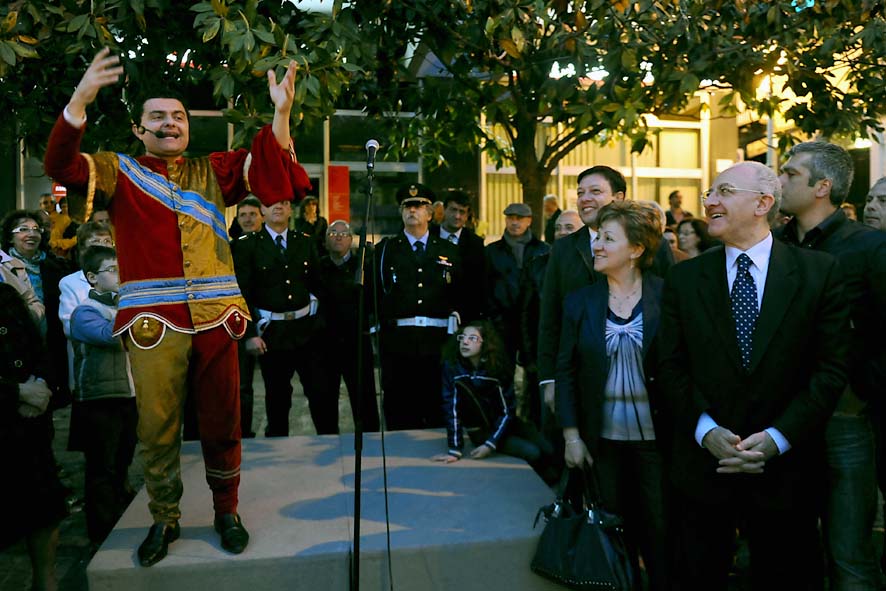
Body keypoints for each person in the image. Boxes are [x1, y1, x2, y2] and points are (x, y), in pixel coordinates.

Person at [43, 48, 310, 566]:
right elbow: (60, 165)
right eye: (158, 118)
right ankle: (164, 516)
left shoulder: (217, 169)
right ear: (140, 130)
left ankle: (226, 510)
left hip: (217, 316)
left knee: (223, 421)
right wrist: (81, 97)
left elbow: (276, 174)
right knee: (157, 427)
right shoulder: (117, 170)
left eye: (179, 117)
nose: (171, 124)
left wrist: (280, 114)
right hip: (152, 325)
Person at [658, 161, 850, 590]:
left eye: (724, 191)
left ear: (763, 203)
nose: (709, 202)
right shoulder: (684, 277)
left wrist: (778, 438)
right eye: (709, 192)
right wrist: (706, 430)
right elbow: (669, 366)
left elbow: (831, 370)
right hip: (704, 475)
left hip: (787, 475)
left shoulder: (820, 273)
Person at [778, 141, 886, 590]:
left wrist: (862, 392)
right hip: (783, 416)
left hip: (845, 415)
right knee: (790, 552)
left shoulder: (868, 246)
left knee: (850, 556)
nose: (779, 180)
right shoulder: (777, 244)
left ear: (822, 187)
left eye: (790, 174)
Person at [557, 200, 668, 590]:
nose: (597, 246)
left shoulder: (668, 298)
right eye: (597, 238)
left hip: (659, 444)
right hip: (601, 444)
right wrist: (572, 436)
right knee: (610, 535)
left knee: (660, 534)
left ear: (636, 249)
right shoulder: (580, 302)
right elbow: (566, 372)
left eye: (608, 239)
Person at [537, 166, 674, 429]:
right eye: (580, 192)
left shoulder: (651, 242)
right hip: (578, 380)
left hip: (644, 383)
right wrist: (549, 379)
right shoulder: (564, 248)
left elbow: (671, 308)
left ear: (619, 198)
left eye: (595, 191)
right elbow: (550, 317)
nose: (584, 198)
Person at [234, 197, 334, 436]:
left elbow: (318, 285)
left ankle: (331, 446)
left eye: (284, 203)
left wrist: (320, 325)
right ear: (263, 211)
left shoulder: (304, 242)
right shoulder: (247, 245)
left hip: (306, 331)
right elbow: (242, 293)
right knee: (278, 398)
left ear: (291, 210)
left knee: (320, 393)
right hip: (272, 334)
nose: (277, 207)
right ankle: (278, 452)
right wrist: (249, 334)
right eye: (271, 203)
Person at [374, 183, 462, 430]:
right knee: (399, 407)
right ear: (401, 212)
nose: (413, 210)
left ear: (431, 213)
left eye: (419, 206)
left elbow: (462, 291)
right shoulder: (385, 251)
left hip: (438, 341)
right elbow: (375, 293)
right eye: (407, 206)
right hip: (398, 342)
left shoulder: (448, 250)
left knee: (436, 405)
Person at [0, 282, 67, 591]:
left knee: (42, 511)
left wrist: (40, 384)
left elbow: (39, 347)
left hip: (29, 427)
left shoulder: (6, 295)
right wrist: (16, 393)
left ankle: (45, 583)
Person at [70, 246, 137, 546]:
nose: (119, 274)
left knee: (123, 461)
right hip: (99, 399)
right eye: (112, 270)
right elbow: (113, 337)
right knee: (101, 467)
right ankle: (101, 531)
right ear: (92, 278)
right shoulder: (85, 312)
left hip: (128, 394)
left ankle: (120, 516)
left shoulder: (123, 305)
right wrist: (135, 309)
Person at [432, 321, 555, 482]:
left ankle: (559, 487)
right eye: (462, 337)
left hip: (506, 423)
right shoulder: (453, 369)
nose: (465, 342)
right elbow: (451, 408)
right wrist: (455, 449)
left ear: (485, 343)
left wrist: (492, 443)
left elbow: (508, 411)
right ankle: (545, 484)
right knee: (533, 452)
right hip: (481, 430)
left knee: (549, 449)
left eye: (473, 338)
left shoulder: (495, 368)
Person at [1, 210, 73, 402]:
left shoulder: (58, 267)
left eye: (36, 229)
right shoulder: (4, 268)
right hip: (16, 343)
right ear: (10, 237)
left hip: (53, 342)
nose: (31, 234)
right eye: (23, 229)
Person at [318, 220, 380, 432]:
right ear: (326, 239)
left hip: (357, 343)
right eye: (332, 232)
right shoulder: (318, 268)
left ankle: (368, 445)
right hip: (325, 344)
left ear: (351, 239)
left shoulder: (362, 267)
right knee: (325, 401)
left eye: (343, 234)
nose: (337, 237)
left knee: (364, 401)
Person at [486, 202, 549, 364]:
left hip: (534, 325)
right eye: (511, 218)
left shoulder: (544, 251)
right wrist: (495, 317)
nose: (515, 222)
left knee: (535, 375)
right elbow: (484, 287)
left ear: (529, 221)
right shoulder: (491, 251)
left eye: (520, 218)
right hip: (501, 324)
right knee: (502, 373)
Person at [228, 195, 263, 437]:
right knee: (242, 386)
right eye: (243, 215)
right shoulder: (232, 248)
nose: (248, 219)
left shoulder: (272, 244)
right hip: (243, 324)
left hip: (277, 323)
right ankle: (244, 433)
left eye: (253, 214)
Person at [430, 188, 487, 323]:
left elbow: (479, 285)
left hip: (464, 316)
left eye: (462, 212)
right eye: (453, 210)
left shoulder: (476, 244)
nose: (457, 216)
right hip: (431, 313)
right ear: (444, 209)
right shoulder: (427, 236)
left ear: (467, 215)